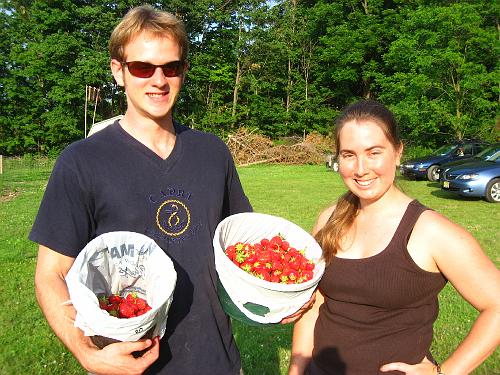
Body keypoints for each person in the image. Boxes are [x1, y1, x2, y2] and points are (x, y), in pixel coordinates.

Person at [30, 5, 254, 375]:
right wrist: (86, 352)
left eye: (171, 67)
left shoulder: (212, 153)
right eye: (142, 67)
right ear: (118, 71)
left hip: (217, 361)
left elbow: (241, 248)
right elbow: (50, 274)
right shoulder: (81, 162)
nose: (158, 80)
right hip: (131, 363)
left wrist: (273, 301)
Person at [288, 100, 500, 375]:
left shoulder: (431, 232)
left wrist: (444, 373)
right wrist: (296, 370)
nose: (361, 168)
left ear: (398, 152)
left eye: (374, 152)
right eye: (349, 154)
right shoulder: (329, 220)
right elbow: (316, 303)